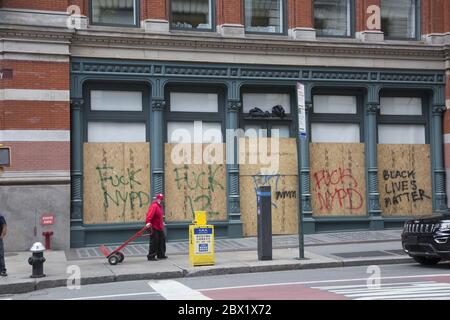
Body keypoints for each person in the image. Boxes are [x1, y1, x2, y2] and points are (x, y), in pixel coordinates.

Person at [145, 193, 167, 261]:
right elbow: (150, 215)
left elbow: (159, 216)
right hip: (154, 227)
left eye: (161, 199)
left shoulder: (159, 206)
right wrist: (148, 222)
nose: (160, 200)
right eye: (160, 198)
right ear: (157, 199)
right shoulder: (154, 206)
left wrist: (162, 222)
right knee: (154, 241)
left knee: (162, 241)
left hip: (159, 227)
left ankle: (161, 255)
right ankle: (151, 256)